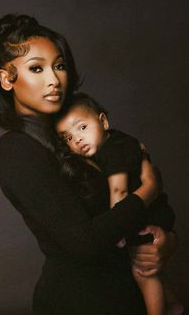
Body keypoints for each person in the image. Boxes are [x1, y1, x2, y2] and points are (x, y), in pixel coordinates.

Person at [0, 13, 178, 315]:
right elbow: (85, 243)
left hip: (134, 297)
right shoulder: (18, 150)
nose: (53, 80)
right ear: (6, 79)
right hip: (80, 301)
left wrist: (166, 241)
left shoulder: (74, 128)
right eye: (36, 68)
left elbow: (131, 186)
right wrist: (150, 189)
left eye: (59, 66)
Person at [55, 92, 182, 315]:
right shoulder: (117, 140)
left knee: (143, 271)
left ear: (103, 121)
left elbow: (118, 190)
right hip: (154, 210)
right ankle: (173, 304)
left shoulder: (113, 152)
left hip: (146, 216)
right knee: (151, 265)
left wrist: (117, 229)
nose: (77, 139)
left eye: (82, 128)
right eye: (68, 137)